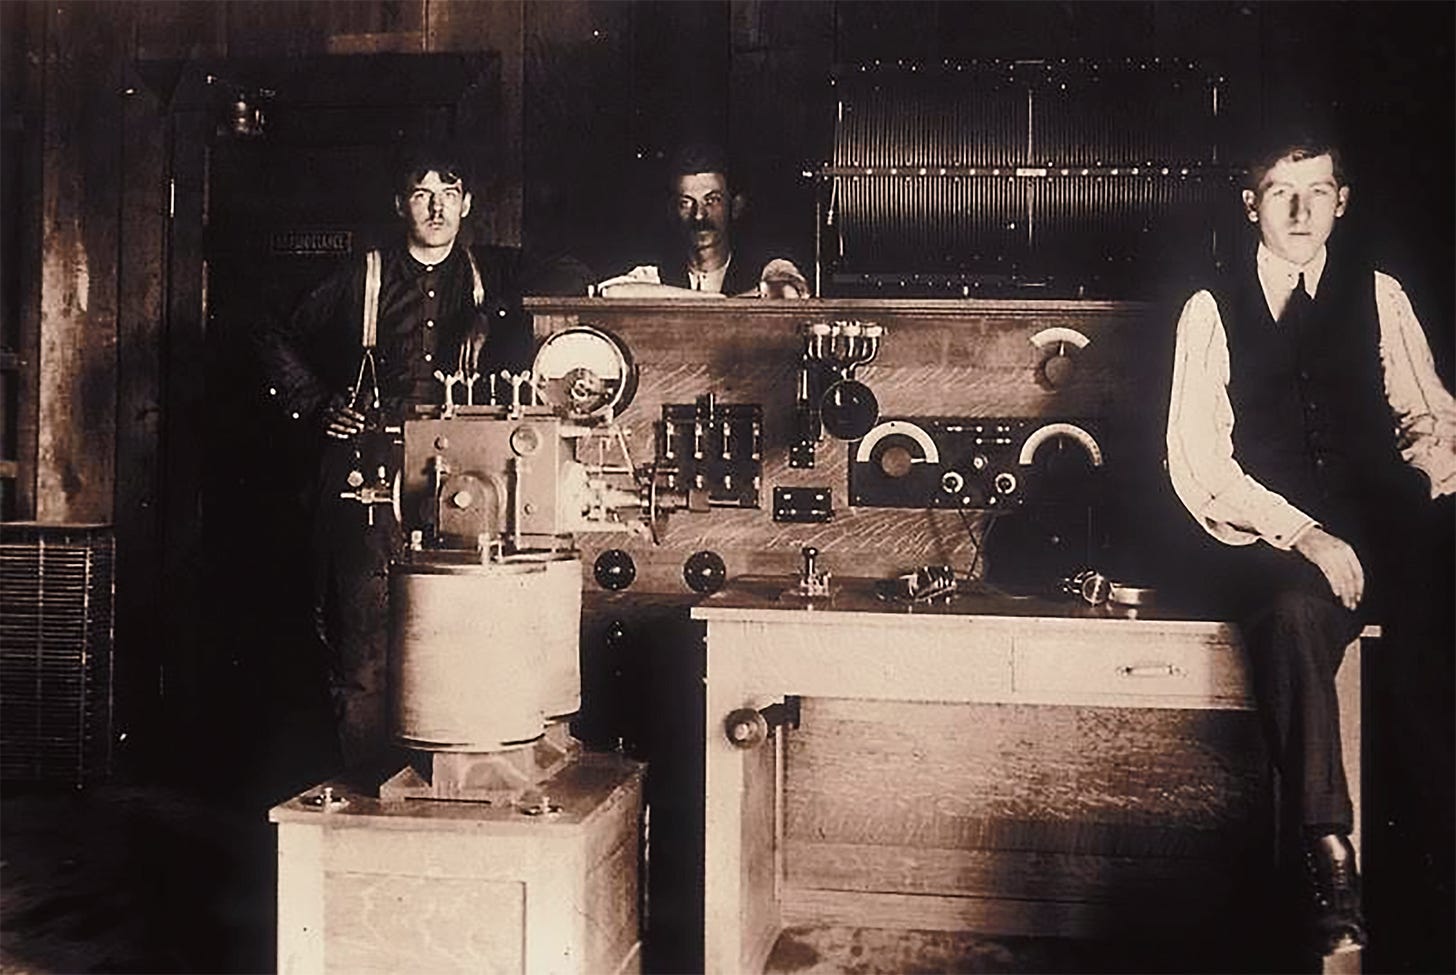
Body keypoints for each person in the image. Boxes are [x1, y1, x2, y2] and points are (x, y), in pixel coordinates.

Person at [1164, 130, 1456, 958]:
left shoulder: (1379, 293)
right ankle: (1331, 856)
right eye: (1281, 193)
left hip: (1386, 530)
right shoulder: (1210, 306)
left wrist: (1422, 468)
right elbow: (1199, 459)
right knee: (1292, 614)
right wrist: (1306, 533)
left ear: (1341, 201)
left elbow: (1429, 412)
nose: (1301, 211)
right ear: (1250, 204)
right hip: (1277, 541)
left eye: (1318, 192)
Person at [256, 146, 530, 768]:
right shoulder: (363, 274)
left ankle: (453, 775)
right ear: (400, 204)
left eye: (448, 194)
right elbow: (270, 328)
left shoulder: (492, 271)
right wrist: (315, 403)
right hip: (371, 465)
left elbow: (572, 272)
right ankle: (371, 780)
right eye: (421, 194)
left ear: (467, 204)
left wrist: (489, 315)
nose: (436, 207)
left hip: (464, 470)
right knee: (364, 625)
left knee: (465, 615)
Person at [596, 142, 811, 299]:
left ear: (735, 207)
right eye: (686, 203)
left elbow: (789, 290)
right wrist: (712, 301)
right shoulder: (656, 274)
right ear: (672, 211)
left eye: (712, 200)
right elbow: (611, 292)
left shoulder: (763, 269)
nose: (699, 215)